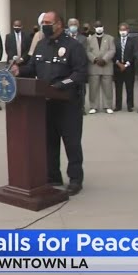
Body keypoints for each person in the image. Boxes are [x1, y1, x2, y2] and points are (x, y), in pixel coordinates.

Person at [11, 11, 88, 196]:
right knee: (49, 142)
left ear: (59, 24)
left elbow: (80, 73)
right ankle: (53, 176)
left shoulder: (73, 46)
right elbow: (33, 68)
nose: (44, 25)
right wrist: (19, 70)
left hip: (68, 103)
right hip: (45, 103)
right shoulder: (41, 45)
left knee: (72, 143)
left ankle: (75, 179)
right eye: (43, 22)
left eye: (48, 22)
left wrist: (60, 85)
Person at [86, 21, 115, 114]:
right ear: (94, 28)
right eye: (97, 26)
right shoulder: (89, 39)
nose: (99, 28)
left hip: (107, 66)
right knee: (93, 88)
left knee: (108, 88)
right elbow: (87, 51)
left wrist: (105, 59)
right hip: (94, 66)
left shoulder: (110, 38)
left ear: (103, 27)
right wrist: (95, 59)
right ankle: (93, 106)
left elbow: (112, 50)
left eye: (100, 26)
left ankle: (108, 106)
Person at [68, 18, 89, 115]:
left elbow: (85, 53)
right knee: (68, 87)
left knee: (81, 89)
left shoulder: (83, 38)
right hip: (67, 67)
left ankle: (81, 107)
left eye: (75, 24)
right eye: (71, 24)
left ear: (78, 26)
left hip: (79, 67)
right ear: (68, 26)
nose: (73, 26)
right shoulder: (65, 37)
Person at [113, 22, 135, 112]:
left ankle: (130, 106)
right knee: (118, 87)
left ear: (128, 30)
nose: (122, 31)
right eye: (121, 30)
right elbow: (113, 54)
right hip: (117, 67)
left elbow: (133, 54)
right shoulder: (115, 41)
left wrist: (126, 65)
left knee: (129, 87)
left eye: (124, 29)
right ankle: (118, 106)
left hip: (129, 67)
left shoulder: (132, 41)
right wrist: (118, 63)